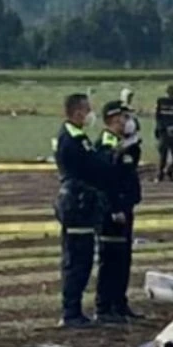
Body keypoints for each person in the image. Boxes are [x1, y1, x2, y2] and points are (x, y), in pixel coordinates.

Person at [53, 93, 124, 328]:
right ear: (77, 113)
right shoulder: (73, 138)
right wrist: (111, 155)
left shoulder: (75, 136)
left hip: (80, 201)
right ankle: (71, 312)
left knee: (81, 258)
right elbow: (96, 166)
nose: (90, 114)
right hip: (77, 203)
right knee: (78, 260)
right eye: (87, 110)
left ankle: (74, 311)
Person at [94, 101, 144, 323]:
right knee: (111, 258)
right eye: (125, 117)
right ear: (114, 119)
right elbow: (106, 180)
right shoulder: (107, 144)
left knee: (123, 258)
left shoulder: (123, 144)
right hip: (112, 211)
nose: (129, 121)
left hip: (125, 206)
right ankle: (104, 308)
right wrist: (114, 208)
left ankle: (119, 304)